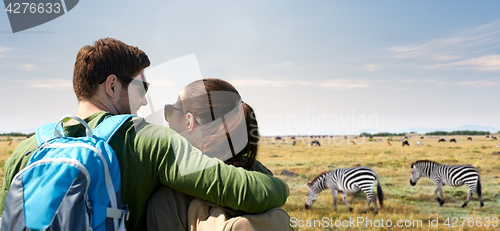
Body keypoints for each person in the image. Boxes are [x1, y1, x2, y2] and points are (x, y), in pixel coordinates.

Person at [0, 38, 289, 231]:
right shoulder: (146, 140)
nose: (144, 102)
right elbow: (243, 191)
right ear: (112, 86)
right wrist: (281, 188)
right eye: (142, 89)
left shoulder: (25, 150)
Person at [147, 78, 291, 231]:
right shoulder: (261, 177)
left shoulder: (167, 199)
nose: (168, 121)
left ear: (189, 121)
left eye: (170, 112)